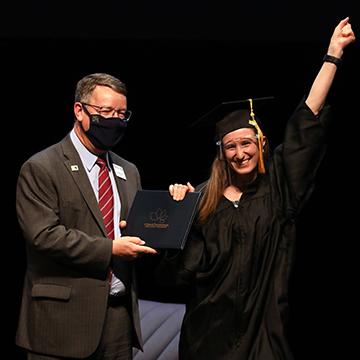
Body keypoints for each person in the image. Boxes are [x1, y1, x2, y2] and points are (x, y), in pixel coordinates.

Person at [164, 18, 356, 360]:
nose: (240, 153)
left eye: (246, 143)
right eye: (231, 147)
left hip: (264, 330)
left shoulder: (280, 187)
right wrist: (177, 214)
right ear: (221, 154)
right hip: (208, 334)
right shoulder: (202, 201)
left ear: (261, 143)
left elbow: (305, 121)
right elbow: (180, 272)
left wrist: (333, 55)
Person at [15, 73, 158, 360]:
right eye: (106, 112)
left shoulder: (128, 171)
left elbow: (140, 228)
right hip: (62, 321)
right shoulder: (42, 167)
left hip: (118, 320)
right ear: (79, 111)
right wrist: (111, 248)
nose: (115, 120)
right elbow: (43, 236)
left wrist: (176, 206)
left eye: (121, 114)